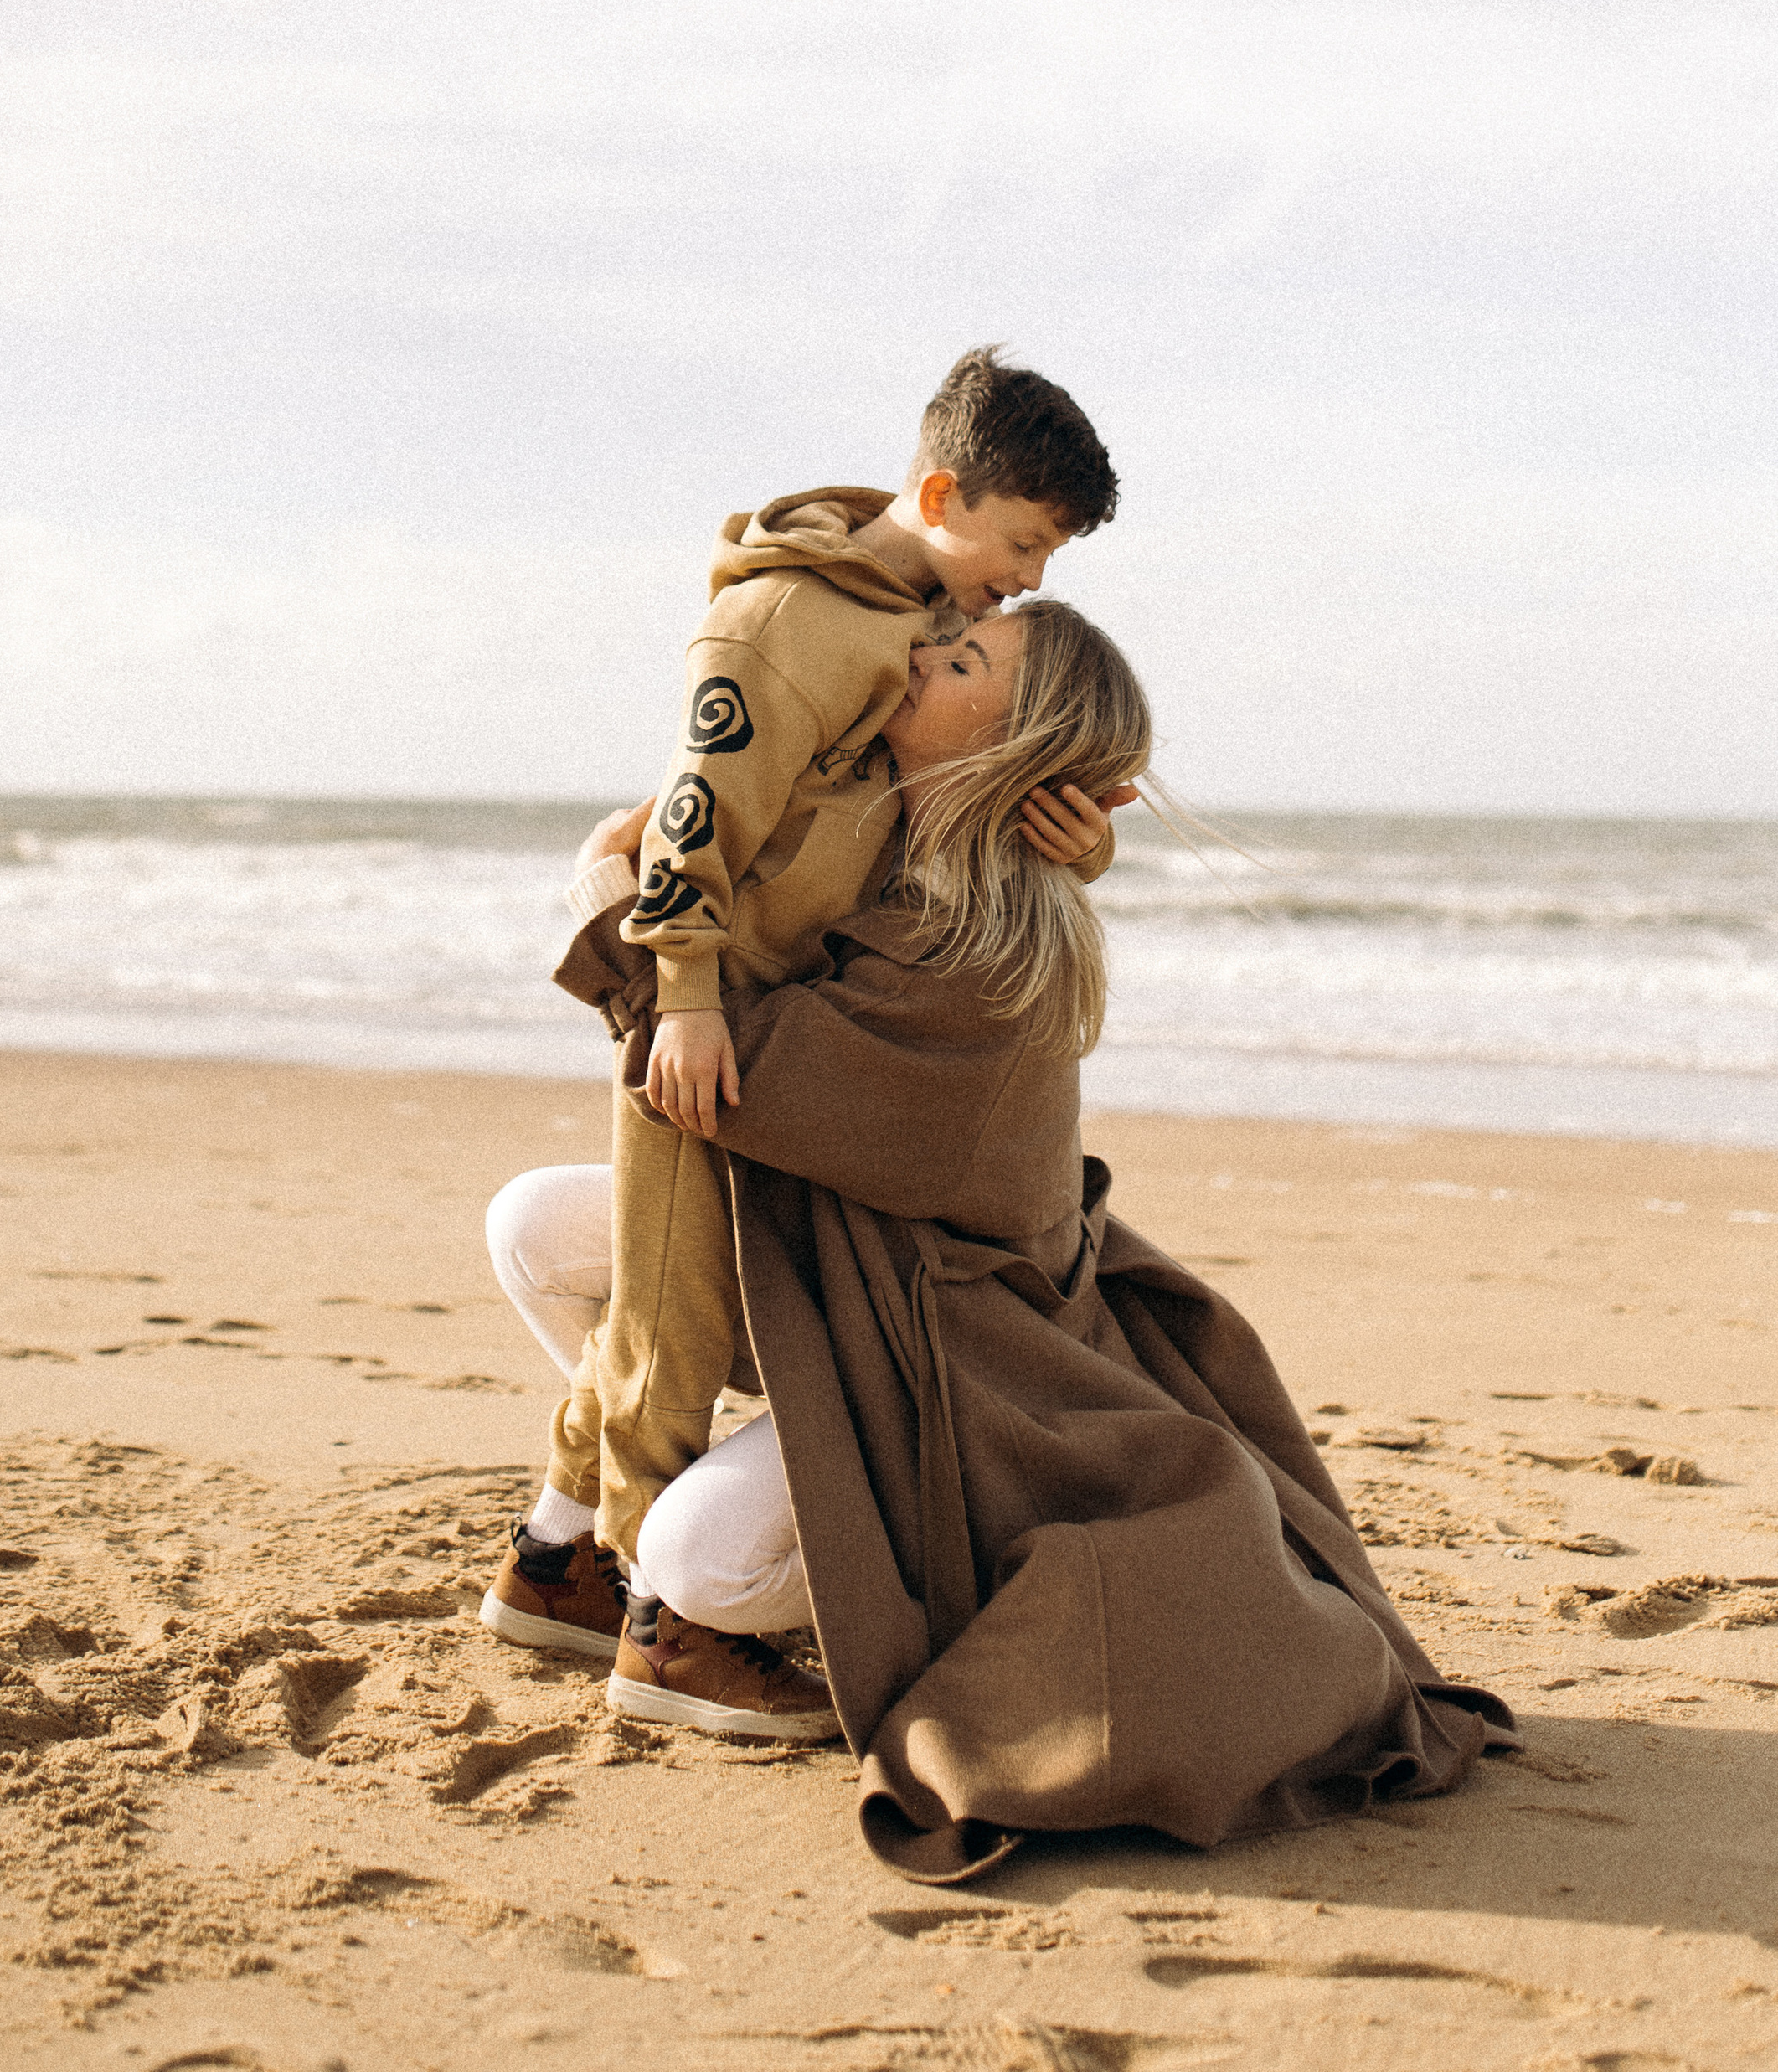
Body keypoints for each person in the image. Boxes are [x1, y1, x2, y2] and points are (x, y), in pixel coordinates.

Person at [487, 600, 1519, 1858]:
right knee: (535, 1224)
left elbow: (719, 1074)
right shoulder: (876, 826)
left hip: (955, 1379)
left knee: (697, 1560)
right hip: (832, 1273)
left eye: (962, 659)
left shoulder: (989, 954)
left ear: (1009, 748)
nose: (921, 655)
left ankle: (800, 1582)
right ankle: (632, 1544)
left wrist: (608, 872)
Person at [482, 348, 1125, 1670]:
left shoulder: (904, 618)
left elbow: (933, 808)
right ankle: (639, 1604)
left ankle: (579, 1570)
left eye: (1039, 567)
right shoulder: (792, 623)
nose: (1022, 587)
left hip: (858, 1202)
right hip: (713, 1033)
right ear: (942, 492)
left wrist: (1070, 836)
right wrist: (680, 992)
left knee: (664, 1318)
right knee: (658, 1331)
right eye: (1019, 546)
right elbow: (699, 819)